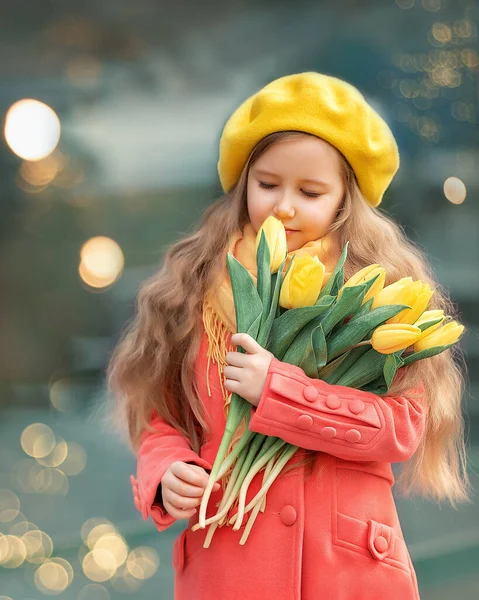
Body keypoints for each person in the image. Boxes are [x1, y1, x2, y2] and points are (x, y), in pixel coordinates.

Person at [106, 72, 471, 600]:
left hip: (344, 572)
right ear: (243, 183)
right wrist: (167, 472)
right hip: (230, 566)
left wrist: (278, 390)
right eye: (267, 184)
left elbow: (400, 429)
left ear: (346, 199)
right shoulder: (194, 291)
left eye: (311, 191)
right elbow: (165, 417)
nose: (284, 206)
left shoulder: (378, 295)